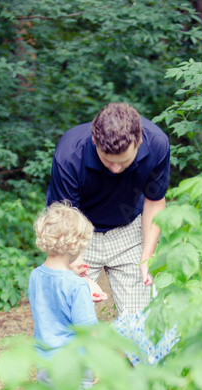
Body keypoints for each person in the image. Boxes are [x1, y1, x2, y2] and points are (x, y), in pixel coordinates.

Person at [46, 102, 170, 315]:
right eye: (107, 160)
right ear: (95, 140)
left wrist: (147, 256)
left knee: (141, 324)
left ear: (139, 141)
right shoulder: (70, 153)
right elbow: (63, 220)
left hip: (129, 230)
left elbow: (155, 201)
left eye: (123, 162)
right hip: (77, 233)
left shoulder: (157, 144)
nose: (115, 169)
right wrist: (80, 271)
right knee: (67, 319)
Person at [28, 201, 98, 390]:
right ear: (74, 244)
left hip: (45, 362)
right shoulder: (77, 287)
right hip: (73, 367)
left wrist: (74, 273)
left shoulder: (35, 275)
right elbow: (89, 332)